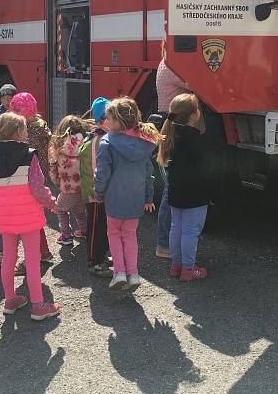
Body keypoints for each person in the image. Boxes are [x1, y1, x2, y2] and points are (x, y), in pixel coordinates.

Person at [0, 112, 60, 320]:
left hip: (5, 214)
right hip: (28, 215)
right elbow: (38, 188)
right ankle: (38, 305)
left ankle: (10, 299)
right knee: (31, 259)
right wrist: (51, 203)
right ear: (20, 132)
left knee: (9, 257)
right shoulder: (29, 155)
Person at [94, 97, 160, 291]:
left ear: (118, 122)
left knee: (114, 234)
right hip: (136, 199)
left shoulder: (107, 143)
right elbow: (149, 174)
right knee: (130, 236)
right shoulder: (144, 143)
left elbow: (102, 173)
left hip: (114, 199)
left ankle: (119, 272)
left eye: (109, 118)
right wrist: (148, 198)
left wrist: (98, 193)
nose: (106, 121)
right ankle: (133, 273)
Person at [157, 93, 211, 281]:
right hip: (195, 194)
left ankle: (176, 264)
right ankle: (189, 268)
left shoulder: (171, 135)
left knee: (176, 228)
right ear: (194, 115)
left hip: (175, 191)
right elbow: (205, 166)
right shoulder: (196, 138)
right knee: (191, 232)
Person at [9, 92, 54, 266]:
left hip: (30, 178)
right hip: (37, 176)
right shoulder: (40, 126)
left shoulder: (31, 133)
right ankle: (43, 251)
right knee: (34, 218)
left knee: (30, 220)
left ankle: (33, 257)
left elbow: (22, 152)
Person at [155, 43, 188, 259]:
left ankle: (166, 242)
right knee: (170, 189)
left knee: (170, 185)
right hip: (174, 125)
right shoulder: (173, 67)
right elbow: (193, 85)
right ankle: (164, 244)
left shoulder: (163, 63)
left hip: (167, 123)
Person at [79, 97, 111, 277]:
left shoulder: (96, 137)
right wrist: (99, 191)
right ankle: (94, 260)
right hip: (95, 193)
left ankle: (101, 255)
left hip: (98, 191)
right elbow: (95, 170)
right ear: (103, 120)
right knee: (95, 227)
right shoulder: (97, 141)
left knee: (102, 225)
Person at [49, 115, 91, 244]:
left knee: (60, 210)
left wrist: (58, 184)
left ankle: (66, 236)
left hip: (67, 187)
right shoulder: (86, 142)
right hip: (84, 187)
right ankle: (85, 231)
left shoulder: (57, 145)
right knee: (79, 210)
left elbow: (52, 170)